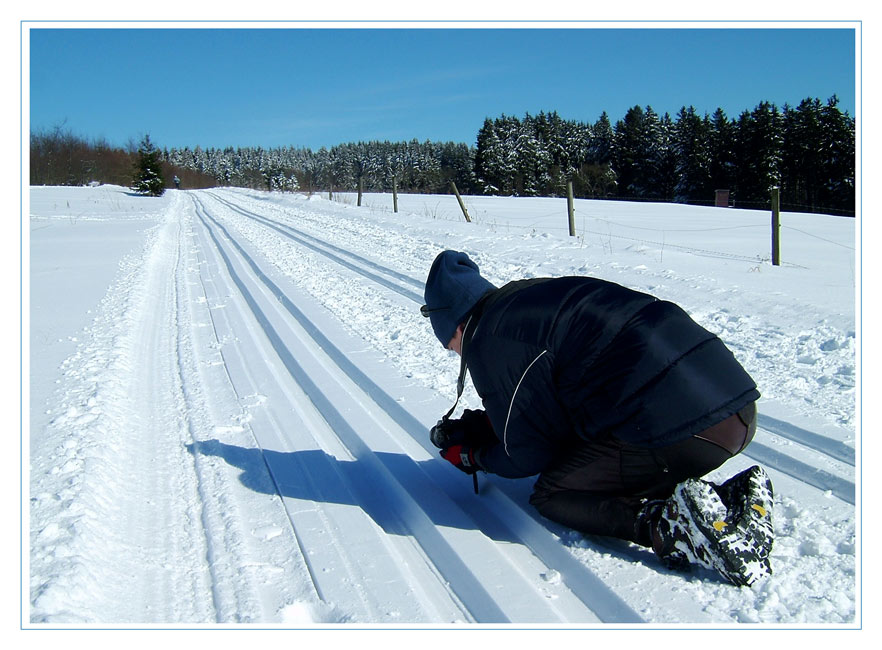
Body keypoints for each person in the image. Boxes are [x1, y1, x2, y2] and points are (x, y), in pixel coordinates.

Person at [422, 250, 774, 587]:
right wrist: (491, 425)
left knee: (553, 492)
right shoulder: (527, 300)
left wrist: (475, 456)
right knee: (596, 437)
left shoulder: (489, 339)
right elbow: (551, 403)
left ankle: (669, 527)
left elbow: (528, 455)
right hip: (734, 408)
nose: (454, 352)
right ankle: (723, 504)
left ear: (454, 324)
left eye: (448, 344)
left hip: (684, 428)